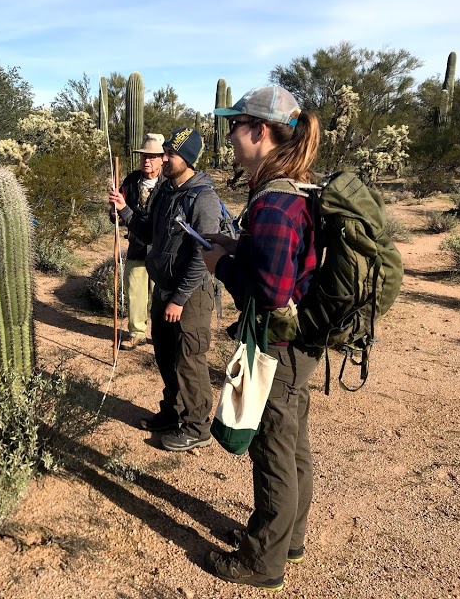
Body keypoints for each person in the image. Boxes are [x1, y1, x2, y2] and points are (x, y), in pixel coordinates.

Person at [201, 85, 322, 591]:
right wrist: (238, 249)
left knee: (272, 447)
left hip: (279, 346)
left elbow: (270, 292)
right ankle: (286, 539)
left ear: (260, 131)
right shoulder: (296, 189)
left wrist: (221, 263)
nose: (230, 135)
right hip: (303, 342)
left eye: (236, 125)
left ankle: (263, 561)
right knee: (292, 443)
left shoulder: (274, 201)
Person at [108, 127, 222, 451]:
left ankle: (197, 427)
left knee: (189, 361)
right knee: (166, 357)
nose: (163, 158)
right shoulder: (166, 192)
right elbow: (150, 233)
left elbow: (203, 255)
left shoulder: (203, 199)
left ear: (185, 159)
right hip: (163, 289)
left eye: (170, 153)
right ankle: (173, 413)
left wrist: (179, 299)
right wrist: (125, 209)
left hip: (190, 296)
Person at [113, 133, 165, 351]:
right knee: (135, 291)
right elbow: (117, 213)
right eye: (144, 156)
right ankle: (137, 333)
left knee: (161, 295)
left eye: (153, 157)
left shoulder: (168, 184)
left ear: (163, 158)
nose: (147, 161)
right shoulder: (131, 181)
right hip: (137, 247)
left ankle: (162, 335)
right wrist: (115, 208)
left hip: (162, 250)